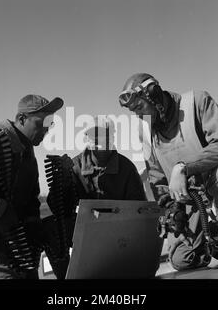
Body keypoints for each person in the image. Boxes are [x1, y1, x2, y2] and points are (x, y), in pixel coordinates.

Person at [118, 73, 218, 270]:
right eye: (134, 111)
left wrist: (183, 167)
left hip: (217, 187)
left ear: (153, 95)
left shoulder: (197, 101)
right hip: (189, 199)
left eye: (139, 107)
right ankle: (210, 235)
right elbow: (157, 178)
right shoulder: (144, 130)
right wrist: (171, 208)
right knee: (182, 260)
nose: (138, 115)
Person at [0, 94, 63, 279]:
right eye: (41, 123)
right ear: (21, 119)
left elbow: (31, 203)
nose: (46, 130)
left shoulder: (27, 155)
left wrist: (39, 233)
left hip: (7, 240)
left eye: (50, 124)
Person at [44, 115, 147, 278]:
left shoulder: (126, 167)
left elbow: (141, 210)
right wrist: (61, 181)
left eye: (104, 134)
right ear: (86, 138)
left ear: (112, 136)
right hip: (87, 229)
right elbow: (58, 208)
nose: (98, 139)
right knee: (51, 227)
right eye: (93, 134)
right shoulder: (74, 166)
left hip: (119, 228)